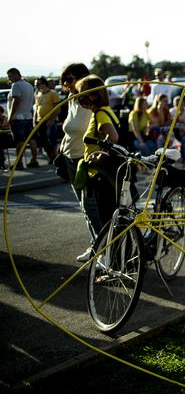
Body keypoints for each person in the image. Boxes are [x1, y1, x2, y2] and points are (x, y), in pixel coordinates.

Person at [73, 74, 120, 262]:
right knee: (111, 219)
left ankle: (110, 261)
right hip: (104, 174)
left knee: (106, 220)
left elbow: (113, 137)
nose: (78, 97)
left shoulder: (101, 113)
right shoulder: (105, 110)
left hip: (101, 175)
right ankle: (113, 258)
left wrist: (99, 156)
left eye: (82, 93)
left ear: (93, 95)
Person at [59, 63, 100, 262]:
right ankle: (96, 246)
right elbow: (70, 127)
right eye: (64, 79)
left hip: (85, 159)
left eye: (70, 78)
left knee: (91, 207)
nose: (67, 83)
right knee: (85, 208)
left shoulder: (91, 100)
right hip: (70, 157)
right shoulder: (71, 99)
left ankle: (103, 249)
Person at [6, 68, 39, 169]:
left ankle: (19, 163)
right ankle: (34, 160)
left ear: (16, 75)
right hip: (28, 116)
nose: (9, 79)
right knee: (32, 139)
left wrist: (11, 117)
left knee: (19, 141)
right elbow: (33, 101)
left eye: (10, 76)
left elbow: (16, 101)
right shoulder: (29, 85)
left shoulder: (16, 85)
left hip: (18, 117)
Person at [33, 76, 61, 163]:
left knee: (52, 141)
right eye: (35, 85)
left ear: (44, 84)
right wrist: (34, 121)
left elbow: (57, 109)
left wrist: (51, 120)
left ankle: (55, 158)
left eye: (38, 84)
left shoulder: (53, 93)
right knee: (44, 142)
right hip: (39, 121)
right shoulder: (38, 95)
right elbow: (36, 109)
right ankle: (51, 158)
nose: (36, 86)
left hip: (50, 121)